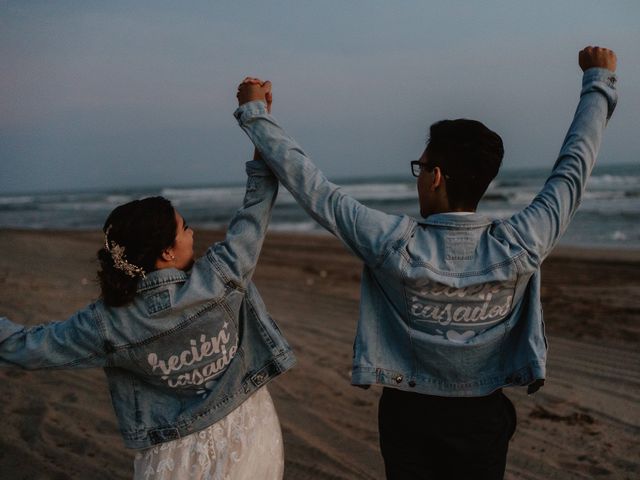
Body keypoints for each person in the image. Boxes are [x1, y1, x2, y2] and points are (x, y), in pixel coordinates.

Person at [234, 46, 618, 479]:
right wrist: (597, 84)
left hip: (409, 410)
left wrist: (256, 115)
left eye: (421, 167)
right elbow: (573, 171)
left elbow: (314, 188)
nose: (418, 176)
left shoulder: (392, 243)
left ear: (435, 176)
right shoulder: (522, 243)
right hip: (482, 414)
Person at [0, 94, 294, 479]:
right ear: (167, 253)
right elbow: (259, 200)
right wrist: (256, 115)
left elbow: (27, 347)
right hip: (248, 436)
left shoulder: (108, 322)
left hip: (175, 456)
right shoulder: (223, 273)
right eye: (184, 227)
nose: (193, 233)